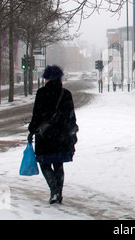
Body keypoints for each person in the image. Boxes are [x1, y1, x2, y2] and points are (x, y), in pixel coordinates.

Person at [28, 65, 78, 204]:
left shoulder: (42, 93)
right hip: (61, 136)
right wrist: (72, 132)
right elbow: (71, 116)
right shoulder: (66, 94)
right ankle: (58, 193)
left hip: (45, 136)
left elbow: (36, 115)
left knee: (44, 164)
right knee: (58, 164)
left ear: (47, 78)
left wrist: (32, 130)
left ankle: (54, 190)